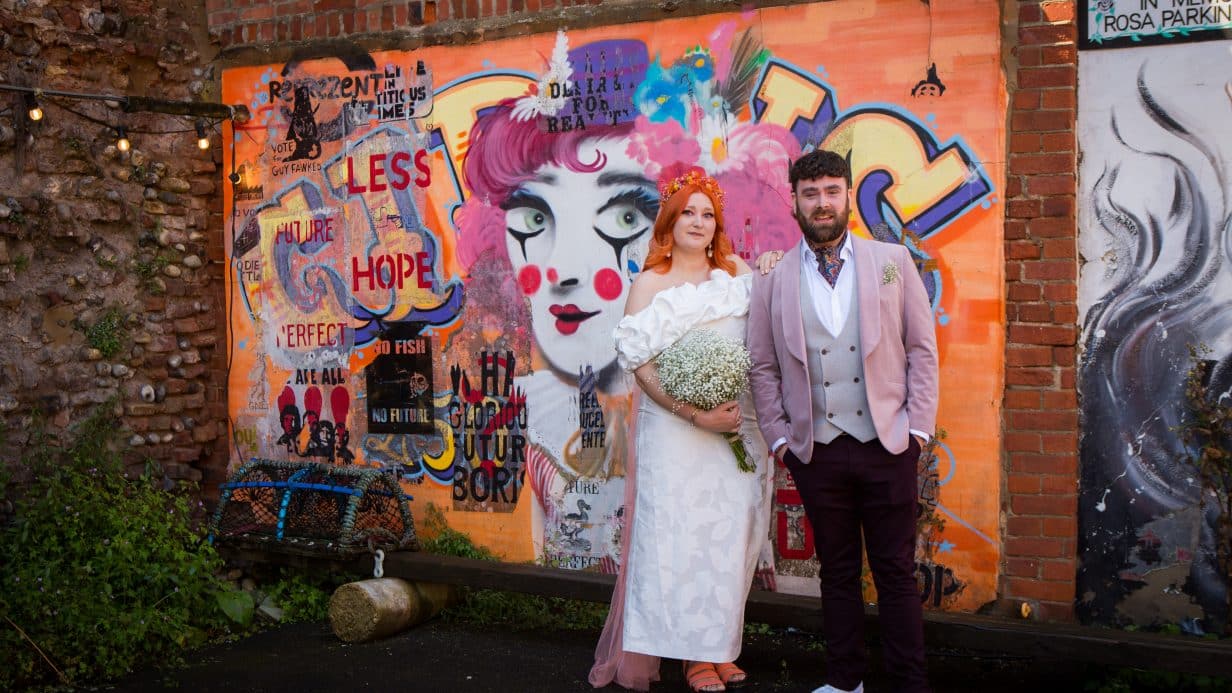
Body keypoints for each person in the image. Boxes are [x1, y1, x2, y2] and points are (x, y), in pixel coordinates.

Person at [746, 150, 939, 693]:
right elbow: (762, 364)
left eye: (832, 190)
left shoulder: (892, 261)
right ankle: (846, 680)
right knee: (836, 572)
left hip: (888, 442)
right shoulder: (774, 278)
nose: (822, 202)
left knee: (896, 573)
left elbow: (922, 349)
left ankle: (909, 683)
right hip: (817, 450)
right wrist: (781, 437)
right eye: (811, 193)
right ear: (795, 201)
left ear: (848, 194)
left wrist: (917, 430)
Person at [590, 169, 772, 692]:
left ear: (718, 225)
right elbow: (639, 363)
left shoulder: (738, 272)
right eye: (688, 212)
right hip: (676, 432)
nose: (698, 222)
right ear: (671, 221)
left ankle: (721, 648)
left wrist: (774, 267)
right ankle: (693, 657)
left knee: (733, 537)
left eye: (707, 214)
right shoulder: (650, 283)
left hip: (737, 430)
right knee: (679, 540)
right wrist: (693, 412)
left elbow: (765, 333)